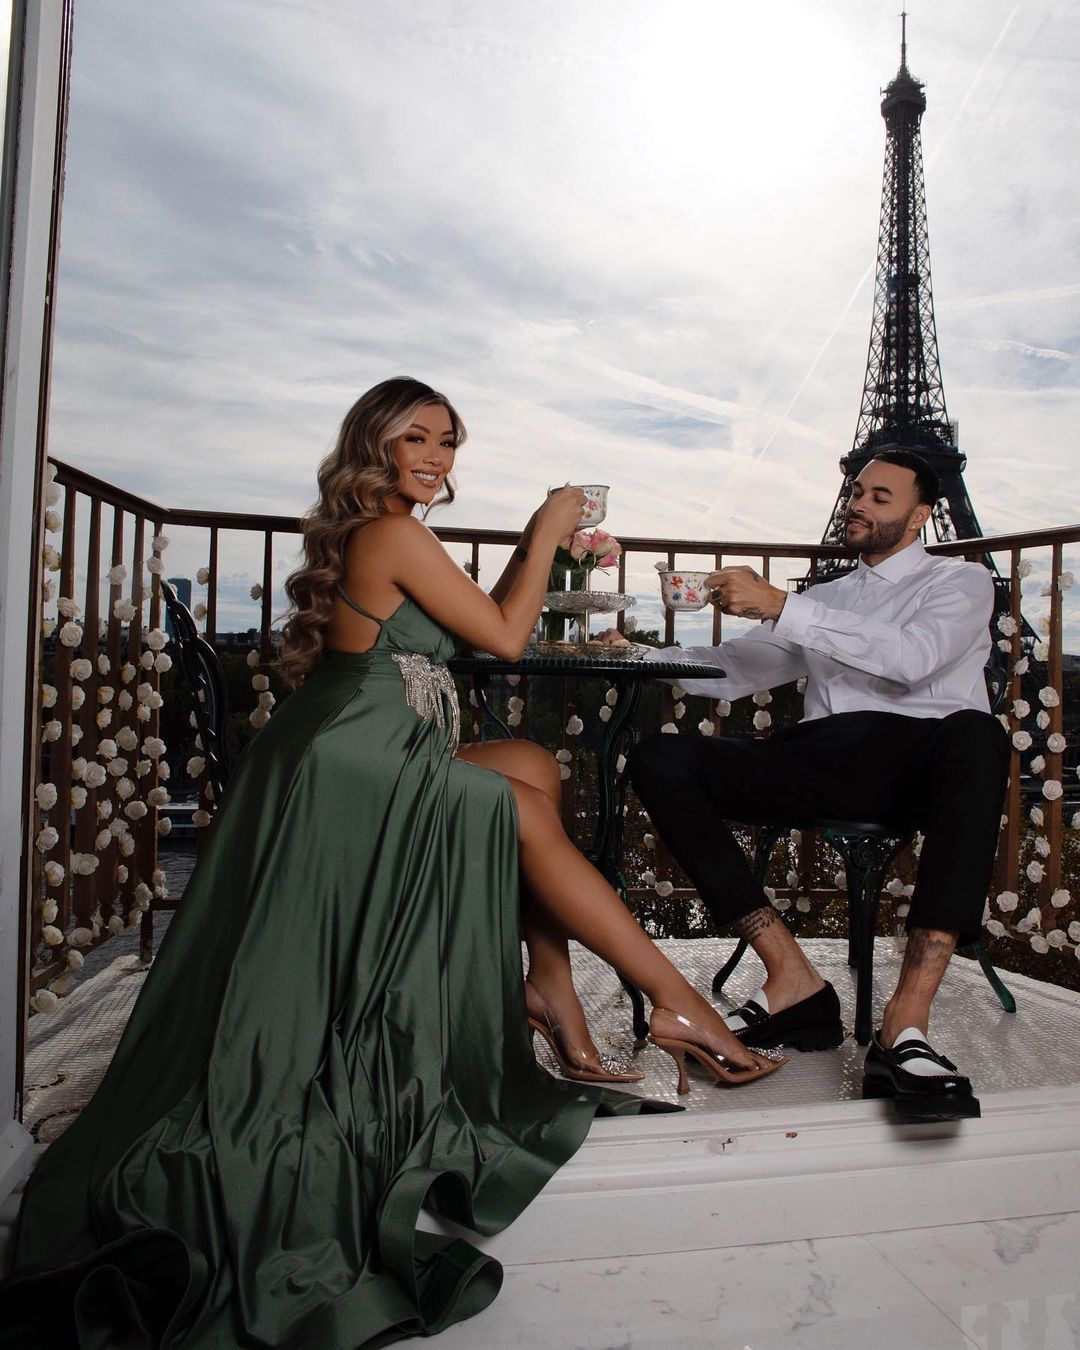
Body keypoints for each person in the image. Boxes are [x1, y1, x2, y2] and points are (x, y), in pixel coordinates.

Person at [0, 378, 782, 1349]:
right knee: (516, 812)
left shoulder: (396, 532)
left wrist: (536, 544)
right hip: (345, 765)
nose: (437, 457)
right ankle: (677, 1004)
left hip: (376, 743)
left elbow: (482, 622)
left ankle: (549, 990)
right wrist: (550, 527)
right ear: (375, 443)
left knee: (533, 766)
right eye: (417, 437)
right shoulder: (391, 531)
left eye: (449, 441)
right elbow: (505, 639)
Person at [617, 450, 1010, 1125]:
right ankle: (792, 977)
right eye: (857, 491)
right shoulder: (823, 600)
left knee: (980, 735)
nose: (858, 504)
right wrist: (636, 655)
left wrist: (780, 604)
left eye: (880, 497)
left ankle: (905, 1026)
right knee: (660, 758)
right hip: (822, 759)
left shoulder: (960, 582)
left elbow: (913, 659)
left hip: (923, 764)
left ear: (920, 516)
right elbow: (734, 669)